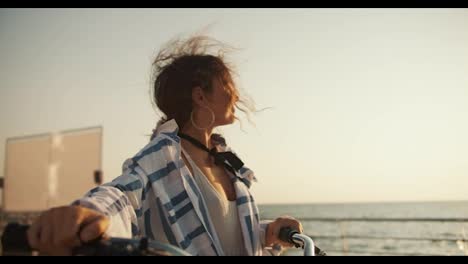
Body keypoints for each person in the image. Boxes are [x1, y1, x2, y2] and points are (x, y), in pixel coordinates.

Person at [26, 35, 303, 256]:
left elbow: (222, 234)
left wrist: (268, 232)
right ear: (200, 97)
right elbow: (123, 195)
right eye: (227, 85)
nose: (236, 94)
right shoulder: (162, 157)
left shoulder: (226, 161)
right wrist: (87, 214)